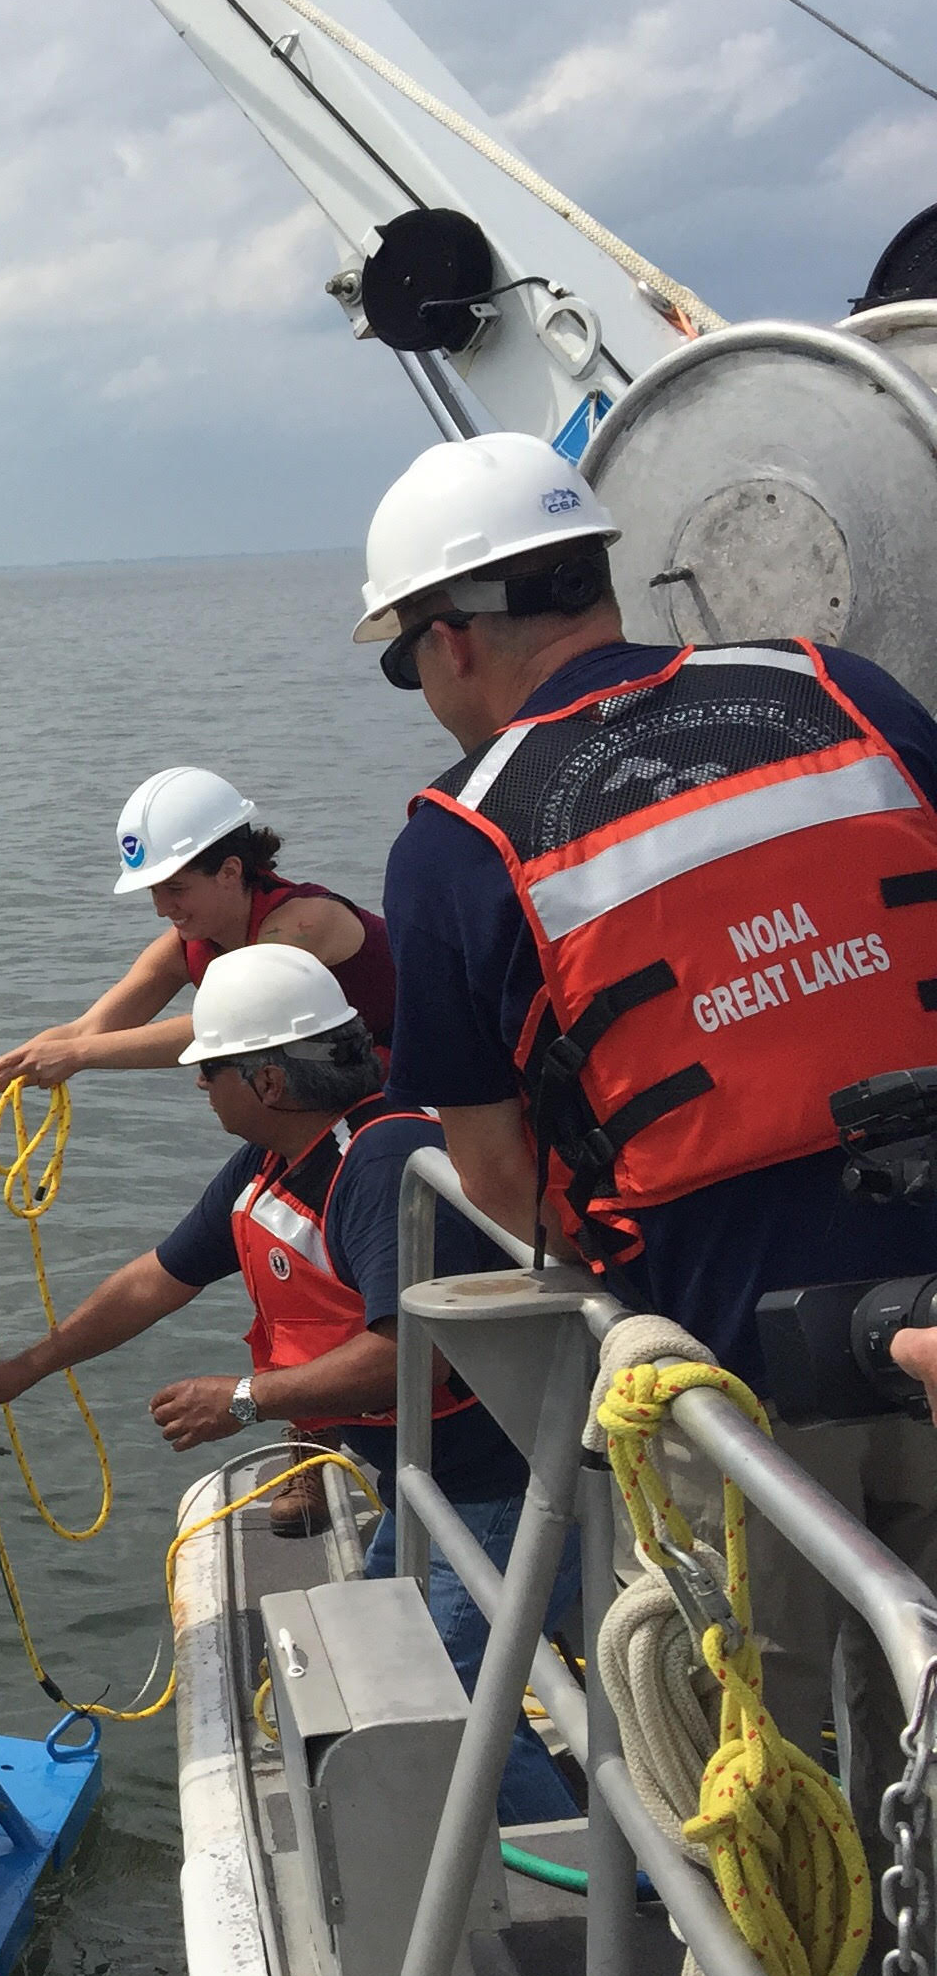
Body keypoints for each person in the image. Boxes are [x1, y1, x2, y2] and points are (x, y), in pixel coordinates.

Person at [358, 428, 937, 1841]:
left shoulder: (462, 837)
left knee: (770, 1770)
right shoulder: (841, 693)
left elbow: (497, 1184)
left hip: (741, 1382)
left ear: (449, 643)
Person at [0, 946, 574, 1821]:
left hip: (513, 1479)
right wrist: (25, 1369)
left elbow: (415, 1353)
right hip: (433, 1478)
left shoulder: (381, 1164)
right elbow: (158, 1278)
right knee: (398, 1660)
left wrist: (242, 1398)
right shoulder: (273, 1166)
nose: (199, 1090)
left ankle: (600, 1890)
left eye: (210, 1072)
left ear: (267, 1081)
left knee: (457, 1700)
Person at [0, 766, 396, 1108]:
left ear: (230, 871)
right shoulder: (186, 942)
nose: (162, 908)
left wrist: (78, 1058)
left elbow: (226, 1024)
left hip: (426, 1081)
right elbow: (86, 1030)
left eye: (176, 889)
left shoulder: (304, 925)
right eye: (154, 891)